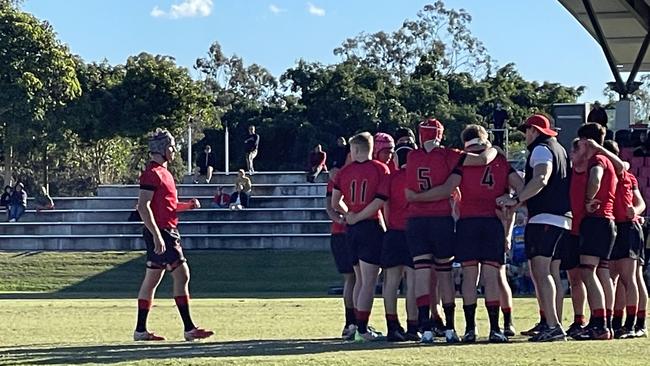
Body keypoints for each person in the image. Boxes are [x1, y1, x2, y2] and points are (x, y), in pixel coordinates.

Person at [408, 124, 523, 343]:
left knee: (469, 278)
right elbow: (522, 186)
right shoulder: (499, 160)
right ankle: (496, 329)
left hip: (467, 223)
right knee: (492, 277)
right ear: (485, 138)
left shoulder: (461, 160)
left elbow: (447, 188)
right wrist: (513, 201)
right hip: (492, 222)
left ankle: (470, 328)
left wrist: (415, 197)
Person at [133, 128, 213, 342]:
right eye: (172, 147)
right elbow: (143, 206)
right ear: (163, 149)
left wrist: (187, 206)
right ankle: (189, 328)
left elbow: (167, 206)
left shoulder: (165, 173)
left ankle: (140, 330)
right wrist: (157, 235)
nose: (175, 151)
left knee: (152, 279)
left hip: (166, 229)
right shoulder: (152, 173)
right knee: (182, 274)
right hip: (164, 232)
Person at [497, 114, 571, 342]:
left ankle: (553, 325)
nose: (525, 135)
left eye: (527, 131)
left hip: (545, 218)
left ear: (534, 131)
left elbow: (541, 178)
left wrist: (516, 198)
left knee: (540, 271)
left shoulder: (540, 150)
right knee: (550, 272)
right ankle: (550, 320)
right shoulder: (559, 149)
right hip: (561, 218)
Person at [332, 132, 391, 342]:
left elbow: (335, 202)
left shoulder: (344, 172)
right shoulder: (380, 168)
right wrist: (358, 216)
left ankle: (356, 325)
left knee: (358, 280)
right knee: (368, 282)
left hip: (351, 230)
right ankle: (362, 330)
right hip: (369, 226)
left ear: (354, 149)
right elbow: (379, 201)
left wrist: (349, 214)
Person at [572, 123, 620, 340]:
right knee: (602, 272)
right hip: (608, 222)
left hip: (596, 221)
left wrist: (589, 199)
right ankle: (605, 321)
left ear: (585, 141)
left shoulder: (598, 161)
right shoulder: (609, 159)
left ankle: (599, 323)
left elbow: (595, 177)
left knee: (587, 272)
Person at [603, 140, 646, 339]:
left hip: (628, 227)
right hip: (613, 226)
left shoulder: (625, 175)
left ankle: (635, 323)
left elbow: (640, 203)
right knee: (614, 277)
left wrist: (634, 211)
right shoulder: (604, 176)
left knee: (631, 278)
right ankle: (613, 320)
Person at [380, 141, 420, 342]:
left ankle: (392, 324)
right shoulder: (417, 177)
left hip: (394, 231)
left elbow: (385, 205)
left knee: (391, 282)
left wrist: (389, 226)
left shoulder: (391, 178)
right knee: (412, 282)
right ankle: (413, 325)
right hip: (414, 231)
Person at [325, 167, 356, 340]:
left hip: (345, 231)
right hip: (345, 232)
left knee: (356, 279)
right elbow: (330, 206)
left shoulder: (339, 177)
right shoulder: (339, 177)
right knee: (354, 278)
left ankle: (354, 323)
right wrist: (344, 219)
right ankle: (354, 322)